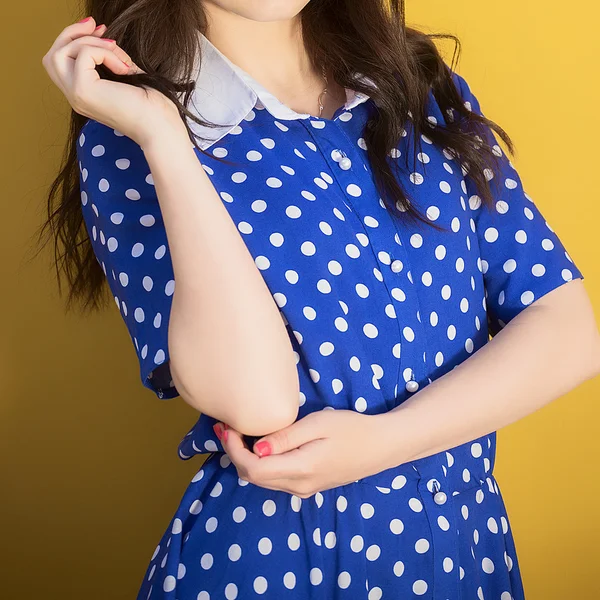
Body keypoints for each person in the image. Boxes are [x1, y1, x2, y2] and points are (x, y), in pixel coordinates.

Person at [40, 1, 600, 599]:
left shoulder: (414, 84)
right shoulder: (130, 132)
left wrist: (388, 441)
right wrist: (164, 140)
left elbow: (567, 327)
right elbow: (257, 400)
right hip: (279, 562)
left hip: (466, 556)